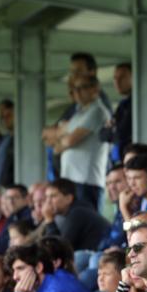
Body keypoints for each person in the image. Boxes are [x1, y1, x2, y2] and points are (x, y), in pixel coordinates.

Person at [51, 75, 112, 209]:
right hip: (73, 179)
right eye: (74, 89)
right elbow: (54, 134)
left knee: (86, 222)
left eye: (82, 88)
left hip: (86, 180)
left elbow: (69, 140)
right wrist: (60, 139)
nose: (77, 92)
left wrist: (60, 141)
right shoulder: (80, 112)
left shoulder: (97, 110)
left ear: (95, 89)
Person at [42, 179, 112, 252]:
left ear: (68, 198)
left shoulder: (77, 213)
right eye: (47, 197)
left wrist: (49, 220)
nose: (48, 201)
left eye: (53, 196)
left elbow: (59, 250)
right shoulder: (75, 211)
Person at [99, 62, 133, 164]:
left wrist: (113, 128)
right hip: (119, 159)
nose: (117, 82)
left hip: (130, 159)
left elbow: (121, 133)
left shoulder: (135, 103)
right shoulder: (123, 104)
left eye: (122, 77)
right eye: (115, 78)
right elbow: (102, 135)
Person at [0, 99, 15, 189]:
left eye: (8, 116)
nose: (5, 120)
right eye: (2, 117)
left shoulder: (23, 140)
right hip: (2, 188)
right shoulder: (5, 141)